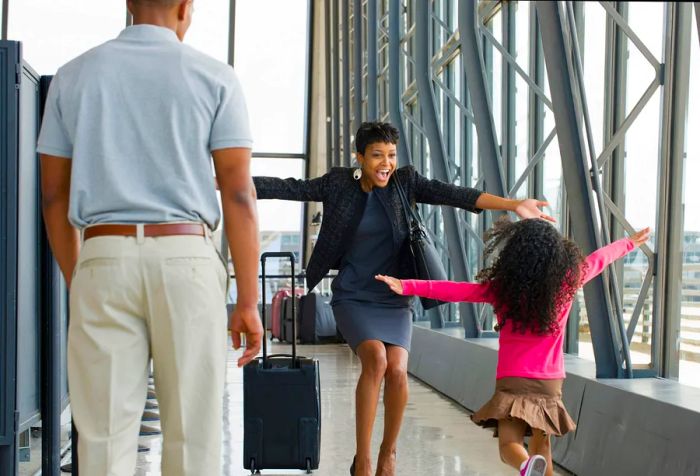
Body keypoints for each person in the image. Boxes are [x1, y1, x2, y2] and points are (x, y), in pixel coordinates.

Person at [253, 121, 554, 476]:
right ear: (360, 157)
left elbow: (455, 195)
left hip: (394, 297)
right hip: (353, 295)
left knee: (397, 369)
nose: (385, 163)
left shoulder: (404, 182)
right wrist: (236, 181)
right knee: (376, 359)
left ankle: (388, 454)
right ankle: (363, 459)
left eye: (391, 155)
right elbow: (293, 189)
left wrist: (514, 204)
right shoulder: (338, 184)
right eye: (377, 155)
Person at [37, 1, 263, 474]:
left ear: (128, 5)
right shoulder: (214, 77)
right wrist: (247, 298)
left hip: (103, 253)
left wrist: (81, 275)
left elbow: (54, 197)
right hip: (187, 256)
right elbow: (239, 194)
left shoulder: (73, 75)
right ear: (185, 8)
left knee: (101, 435)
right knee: (193, 432)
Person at [376, 219, 651, 476]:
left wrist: (406, 285)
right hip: (550, 382)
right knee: (542, 448)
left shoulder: (501, 290)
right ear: (557, 255)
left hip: (513, 379)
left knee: (509, 445)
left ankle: (526, 465)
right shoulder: (567, 283)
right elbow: (598, 260)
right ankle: (534, 464)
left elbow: (453, 289)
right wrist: (628, 243)